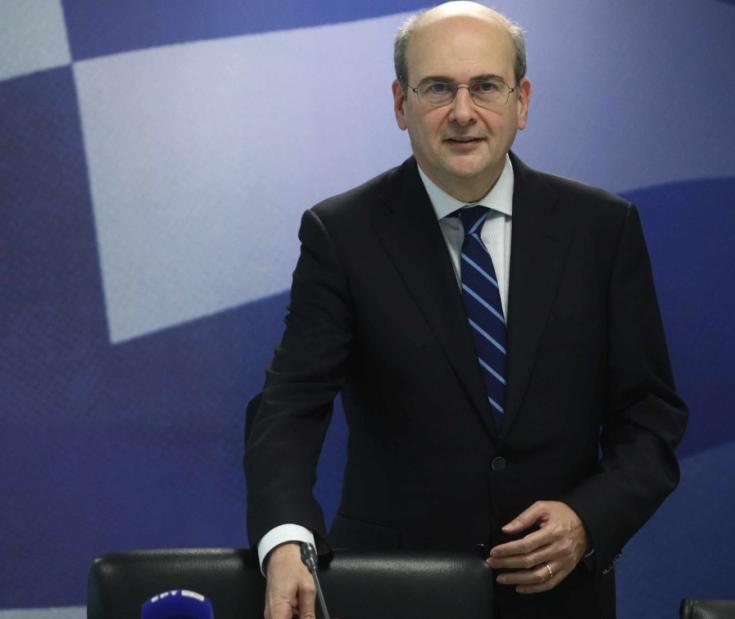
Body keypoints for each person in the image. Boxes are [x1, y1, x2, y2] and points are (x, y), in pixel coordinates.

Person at [243, 2, 688, 618]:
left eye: (485, 86)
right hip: (396, 594)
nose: (462, 112)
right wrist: (287, 536)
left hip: (559, 599)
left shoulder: (601, 229)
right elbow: (290, 405)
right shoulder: (342, 234)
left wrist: (588, 519)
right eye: (436, 88)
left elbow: (650, 416)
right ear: (400, 104)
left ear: (521, 101)